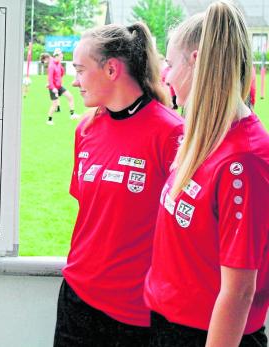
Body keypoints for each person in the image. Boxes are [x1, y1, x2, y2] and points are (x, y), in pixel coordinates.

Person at [144, 3, 269, 346]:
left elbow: (239, 292)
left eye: (170, 64)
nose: (165, 76)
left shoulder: (244, 159)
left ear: (196, 61)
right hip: (167, 328)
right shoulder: (201, 137)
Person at [53, 22, 183, 346]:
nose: (75, 80)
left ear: (111, 69)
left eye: (81, 70)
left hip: (137, 315)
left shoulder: (172, 135)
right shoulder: (85, 130)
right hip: (76, 302)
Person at [46, 49, 78, 125]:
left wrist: (61, 71)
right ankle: (49, 120)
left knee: (70, 97)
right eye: (61, 57)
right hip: (53, 88)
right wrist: (53, 88)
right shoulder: (51, 66)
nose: (62, 58)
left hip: (59, 86)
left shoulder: (58, 63)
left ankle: (72, 114)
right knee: (55, 104)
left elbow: (61, 73)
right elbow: (50, 78)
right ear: (56, 56)